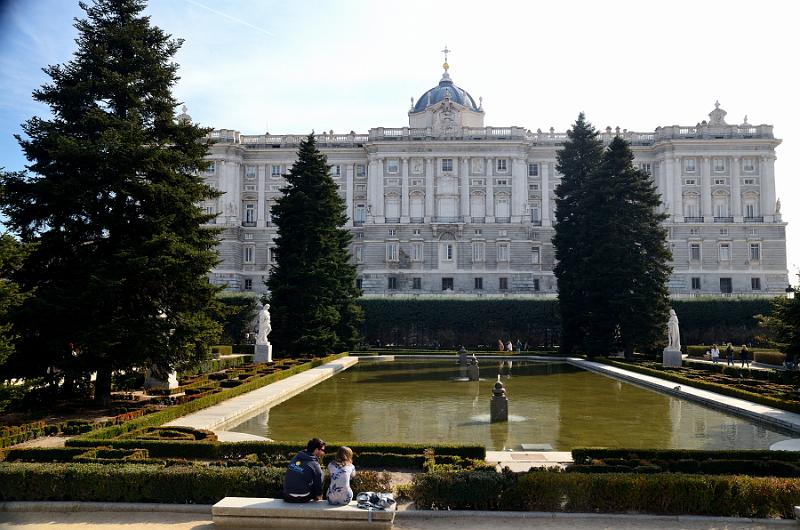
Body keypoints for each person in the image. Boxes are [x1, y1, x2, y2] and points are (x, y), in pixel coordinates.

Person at [283, 438, 325, 503]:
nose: (323, 452)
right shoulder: (315, 464)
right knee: (321, 474)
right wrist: (319, 494)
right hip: (303, 498)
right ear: (316, 449)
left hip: (287, 496)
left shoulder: (296, 456)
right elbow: (318, 483)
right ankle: (318, 497)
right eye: (322, 450)